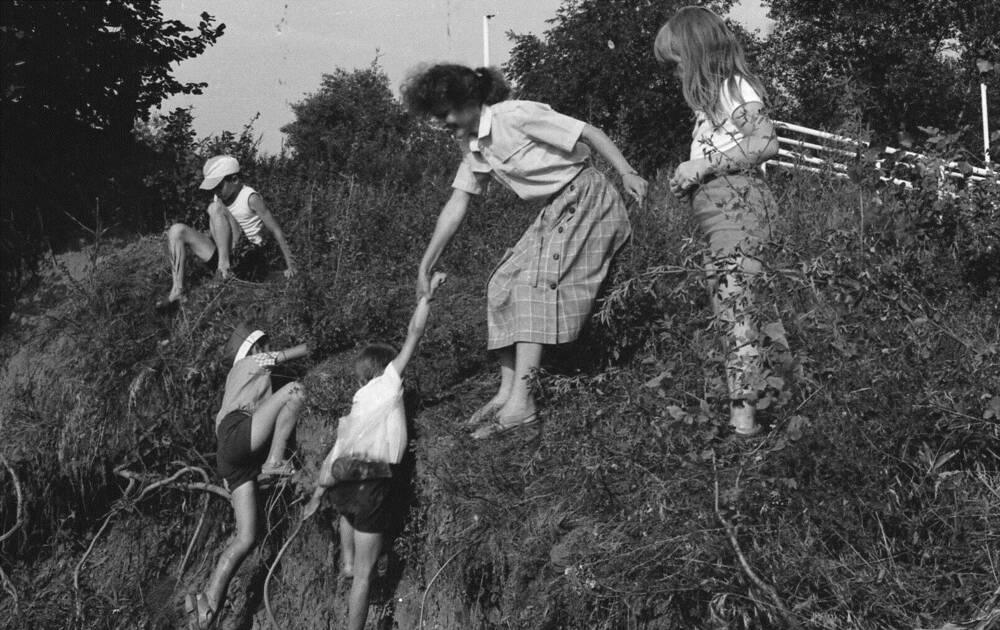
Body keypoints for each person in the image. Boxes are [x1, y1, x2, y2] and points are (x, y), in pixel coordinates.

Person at [400, 64, 648, 439]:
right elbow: (458, 203)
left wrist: (627, 172)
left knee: (533, 285)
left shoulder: (515, 115)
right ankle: (507, 391)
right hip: (555, 207)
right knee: (502, 282)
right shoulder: (472, 144)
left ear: (468, 101)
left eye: (443, 113)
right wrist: (426, 263)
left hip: (587, 199)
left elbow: (589, 132)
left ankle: (524, 403)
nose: (440, 122)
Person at [654, 6, 783, 436]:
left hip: (738, 209)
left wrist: (703, 166)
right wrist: (690, 177)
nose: (675, 77)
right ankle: (770, 410)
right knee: (743, 313)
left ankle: (744, 425)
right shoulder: (712, 107)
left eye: (677, 65)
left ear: (695, 54)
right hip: (723, 213)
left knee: (737, 314)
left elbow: (765, 143)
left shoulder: (733, 88)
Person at [303, 272, 447, 630]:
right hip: (370, 481)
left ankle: (348, 561)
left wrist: (318, 494)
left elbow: (334, 454)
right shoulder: (388, 383)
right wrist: (425, 301)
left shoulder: (358, 402)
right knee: (367, 578)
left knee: (347, 512)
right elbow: (413, 337)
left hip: (343, 478)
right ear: (383, 371)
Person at [184, 325, 309, 629]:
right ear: (254, 348)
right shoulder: (252, 362)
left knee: (246, 538)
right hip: (238, 434)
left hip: (229, 453)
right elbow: (294, 353)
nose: (267, 349)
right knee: (295, 390)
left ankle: (206, 608)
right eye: (263, 345)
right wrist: (318, 343)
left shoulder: (234, 381)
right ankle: (275, 461)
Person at [159, 155, 297, 309]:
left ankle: (223, 270)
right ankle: (177, 290)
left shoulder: (250, 197)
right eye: (214, 188)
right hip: (225, 254)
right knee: (176, 230)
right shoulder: (219, 198)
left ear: (235, 180)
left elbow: (276, 230)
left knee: (214, 208)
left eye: (219, 186)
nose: (216, 192)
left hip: (247, 256)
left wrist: (291, 265)